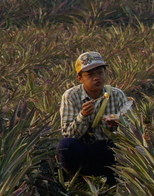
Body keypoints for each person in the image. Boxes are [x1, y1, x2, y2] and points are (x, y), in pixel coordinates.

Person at [57, 51, 133, 184]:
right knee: (66, 146)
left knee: (124, 147)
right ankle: (77, 178)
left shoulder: (116, 95)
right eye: (90, 75)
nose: (97, 78)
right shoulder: (70, 96)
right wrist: (83, 116)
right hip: (83, 150)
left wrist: (120, 123)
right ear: (80, 78)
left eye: (100, 73)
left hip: (107, 150)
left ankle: (114, 179)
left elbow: (131, 127)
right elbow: (68, 133)